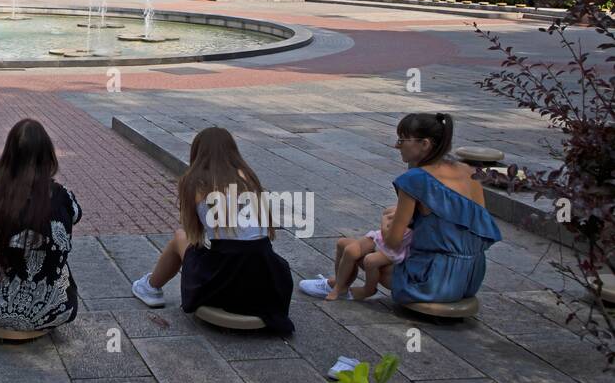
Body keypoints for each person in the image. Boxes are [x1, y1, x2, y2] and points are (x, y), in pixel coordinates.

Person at [300, 113, 501, 304]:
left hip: (433, 283)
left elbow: (393, 242)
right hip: (469, 277)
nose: (397, 146)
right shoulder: (469, 171)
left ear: (425, 144)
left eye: (402, 140)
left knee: (362, 253)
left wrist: (385, 221)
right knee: (378, 239)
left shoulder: (415, 179)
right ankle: (336, 283)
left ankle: (340, 285)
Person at [131, 127, 294, 334]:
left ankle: (151, 287)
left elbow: (194, 233)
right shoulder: (249, 179)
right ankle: (150, 286)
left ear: (198, 152)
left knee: (181, 237)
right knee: (242, 249)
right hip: (266, 279)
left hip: (224, 283)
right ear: (232, 151)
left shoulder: (195, 182)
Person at [0, 119, 81, 332]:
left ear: (8, 157)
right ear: (48, 156)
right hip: (54, 309)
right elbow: (75, 217)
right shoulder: (64, 197)